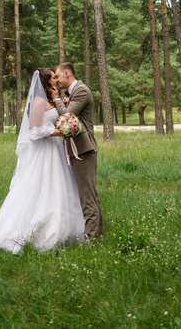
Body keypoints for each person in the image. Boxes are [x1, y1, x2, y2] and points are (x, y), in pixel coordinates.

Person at [0, 68, 85, 254]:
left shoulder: (50, 100)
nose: (57, 79)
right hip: (44, 150)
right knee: (40, 186)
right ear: (47, 81)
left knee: (59, 187)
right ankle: (36, 233)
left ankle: (64, 230)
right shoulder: (38, 102)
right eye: (54, 77)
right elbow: (34, 130)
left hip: (55, 150)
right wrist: (59, 132)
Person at [52, 62, 104, 240]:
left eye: (58, 76)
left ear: (67, 74)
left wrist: (56, 99)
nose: (56, 80)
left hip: (84, 149)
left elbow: (67, 115)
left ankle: (92, 240)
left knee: (87, 196)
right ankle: (99, 234)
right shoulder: (73, 92)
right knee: (89, 194)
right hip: (77, 149)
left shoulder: (81, 90)